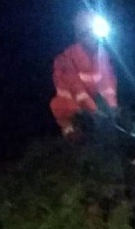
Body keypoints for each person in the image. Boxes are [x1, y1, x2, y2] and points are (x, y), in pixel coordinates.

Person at [50, 10, 118, 141]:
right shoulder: (67, 58)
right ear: (82, 35)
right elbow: (77, 89)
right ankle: (70, 133)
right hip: (72, 112)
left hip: (94, 110)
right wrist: (94, 111)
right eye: (90, 34)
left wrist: (112, 108)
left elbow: (108, 84)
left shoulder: (102, 56)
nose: (94, 38)